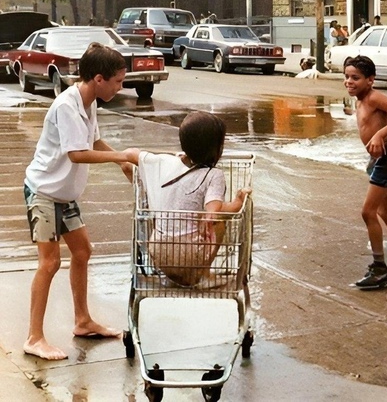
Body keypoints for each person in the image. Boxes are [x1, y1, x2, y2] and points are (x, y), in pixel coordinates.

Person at [23, 43, 140, 360]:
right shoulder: (67, 106)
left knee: (82, 251)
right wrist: (123, 155)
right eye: (117, 81)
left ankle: (83, 321)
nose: (120, 86)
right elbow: (77, 153)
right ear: (99, 79)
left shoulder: (87, 103)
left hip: (65, 194)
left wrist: (121, 163)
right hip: (44, 192)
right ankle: (34, 338)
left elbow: (93, 140)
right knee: (49, 263)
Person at [131, 112, 250, 287]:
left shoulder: (169, 165)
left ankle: (175, 275)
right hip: (189, 255)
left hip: (157, 251)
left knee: (180, 212)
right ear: (215, 147)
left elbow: (130, 158)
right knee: (219, 222)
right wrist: (236, 202)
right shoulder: (213, 175)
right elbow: (215, 209)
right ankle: (203, 276)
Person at [343, 56, 387, 289]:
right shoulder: (360, 100)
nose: (349, 82)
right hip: (385, 158)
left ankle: (379, 269)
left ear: (370, 80)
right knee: (384, 211)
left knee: (368, 212)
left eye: (355, 78)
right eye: (347, 77)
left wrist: (379, 134)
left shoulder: (374, 97)